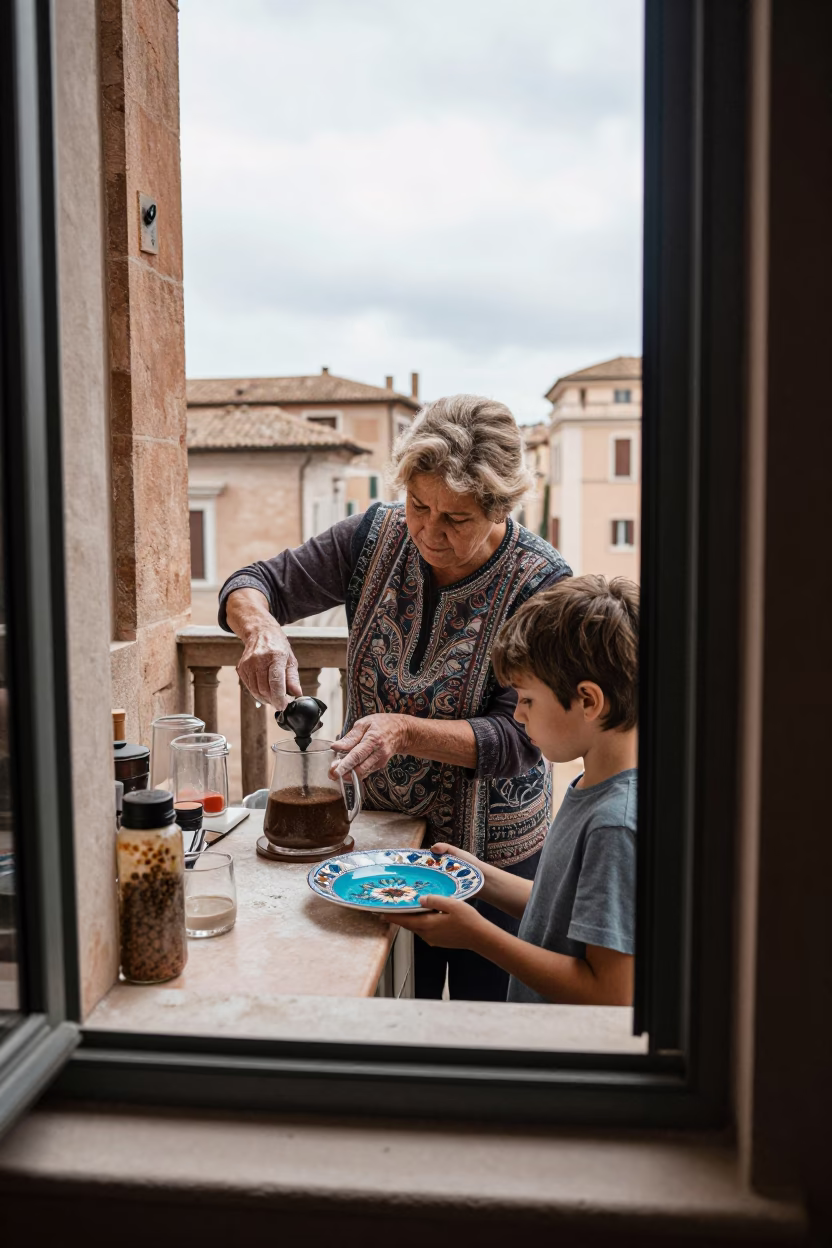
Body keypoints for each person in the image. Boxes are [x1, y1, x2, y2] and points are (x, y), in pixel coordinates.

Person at [219, 394, 571, 1000]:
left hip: (494, 863)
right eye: (418, 505)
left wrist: (405, 730)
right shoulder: (371, 536)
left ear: (499, 507)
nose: (429, 532)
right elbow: (256, 581)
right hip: (380, 849)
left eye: (455, 518)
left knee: (484, 1030)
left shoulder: (541, 583)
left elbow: (521, 739)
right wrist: (259, 624)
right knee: (388, 1009)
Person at [394, 575, 639, 1006]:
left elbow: (610, 994)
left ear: (588, 701)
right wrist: (476, 875)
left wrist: (477, 936)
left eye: (526, 699)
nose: (519, 717)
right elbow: (557, 912)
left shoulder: (614, 824)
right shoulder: (592, 786)